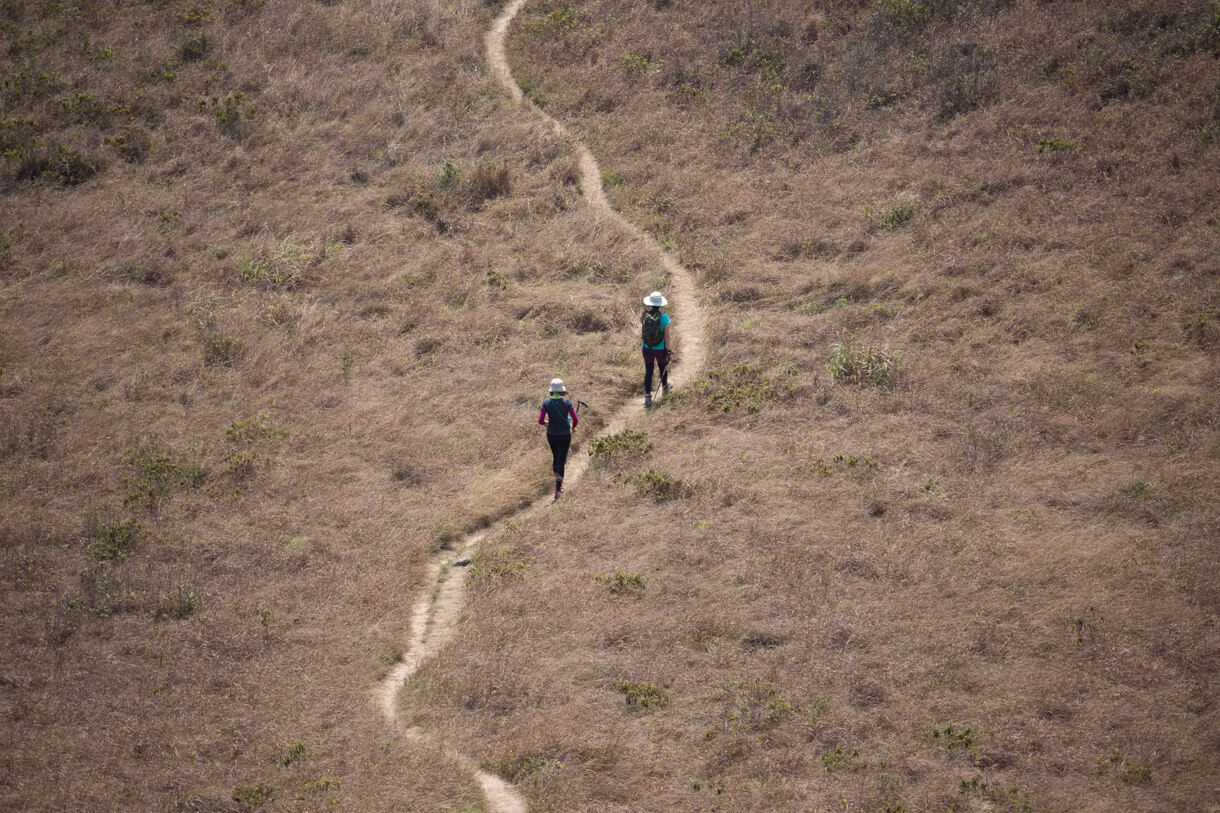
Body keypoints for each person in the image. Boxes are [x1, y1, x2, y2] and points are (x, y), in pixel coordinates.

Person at [538, 378, 578, 499]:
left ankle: (557, 482)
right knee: (561, 461)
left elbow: (540, 421)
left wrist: (547, 423)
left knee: (556, 458)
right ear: (562, 391)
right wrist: (573, 428)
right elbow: (575, 420)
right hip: (565, 435)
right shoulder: (567, 403)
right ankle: (557, 489)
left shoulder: (546, 403)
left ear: (551, 391)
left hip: (551, 434)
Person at [640, 290, 672, 407]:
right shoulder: (664, 318)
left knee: (648, 371)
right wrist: (668, 350)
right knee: (662, 368)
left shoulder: (644, 316)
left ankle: (647, 397)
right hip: (660, 349)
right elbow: (667, 336)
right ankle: (665, 389)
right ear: (660, 305)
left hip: (647, 348)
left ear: (650, 303)